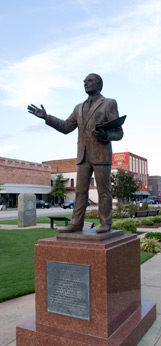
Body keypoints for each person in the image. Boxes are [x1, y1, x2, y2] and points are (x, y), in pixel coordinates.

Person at [28, 73, 123, 233]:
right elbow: (66, 127)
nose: (86, 84)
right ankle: (76, 223)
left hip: (101, 155)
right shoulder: (78, 108)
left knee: (103, 191)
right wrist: (46, 117)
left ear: (99, 85)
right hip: (83, 155)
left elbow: (119, 132)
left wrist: (105, 135)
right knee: (80, 192)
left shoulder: (109, 103)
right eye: (84, 82)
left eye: (90, 81)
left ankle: (106, 223)